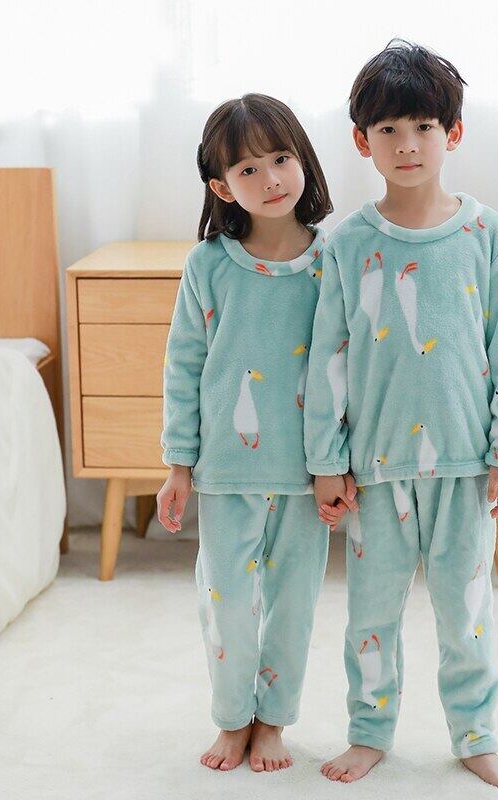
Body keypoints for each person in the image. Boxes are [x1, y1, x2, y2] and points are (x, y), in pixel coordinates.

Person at [303, 40, 498, 788]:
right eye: (389, 130)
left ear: (452, 133)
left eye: (424, 127)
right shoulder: (347, 242)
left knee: (466, 615)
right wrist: (326, 462)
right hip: (376, 470)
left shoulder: (484, 233)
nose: (407, 144)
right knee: (370, 616)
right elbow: (329, 358)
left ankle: (476, 735)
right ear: (362, 141)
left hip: (465, 466)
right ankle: (369, 732)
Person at [157, 93, 346, 773]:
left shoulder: (334, 259)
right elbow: (184, 366)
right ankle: (232, 717)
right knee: (229, 605)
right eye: (247, 169)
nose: (270, 179)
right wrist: (178, 465)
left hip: (304, 474)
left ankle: (274, 720)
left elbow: (342, 367)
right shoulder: (208, 265)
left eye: (282, 158)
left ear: (304, 160)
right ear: (221, 187)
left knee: (293, 607)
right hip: (226, 471)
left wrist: (335, 463)